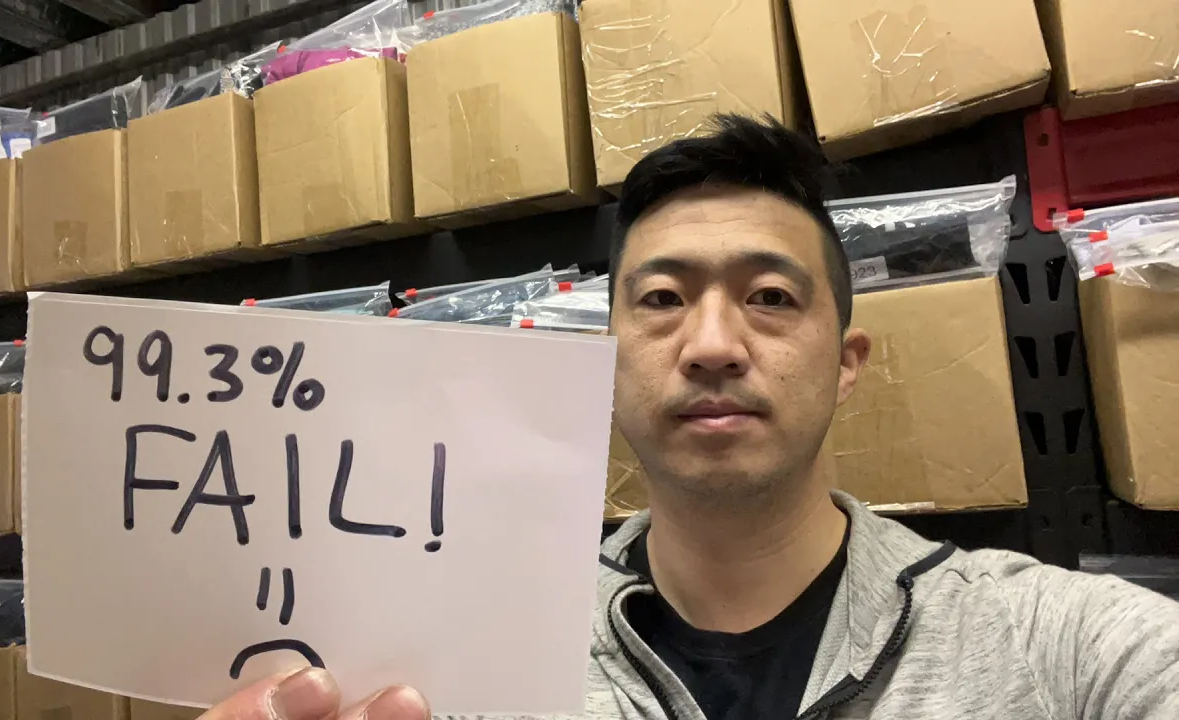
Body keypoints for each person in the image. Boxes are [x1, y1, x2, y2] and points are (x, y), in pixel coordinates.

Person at [200, 115, 1179, 720]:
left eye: (770, 297)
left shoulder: (1059, 646)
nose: (711, 344)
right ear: (603, 361)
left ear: (845, 366)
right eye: (662, 299)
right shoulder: (458, 668)